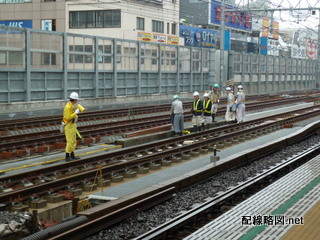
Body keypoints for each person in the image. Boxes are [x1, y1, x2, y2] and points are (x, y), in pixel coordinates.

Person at [62, 92, 85, 161]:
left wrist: (76, 114)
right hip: (69, 126)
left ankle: (72, 155)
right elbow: (68, 117)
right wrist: (76, 112)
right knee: (70, 141)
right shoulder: (67, 107)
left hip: (72, 126)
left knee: (73, 141)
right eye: (76, 99)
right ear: (74, 100)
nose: (77, 101)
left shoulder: (71, 106)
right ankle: (67, 156)